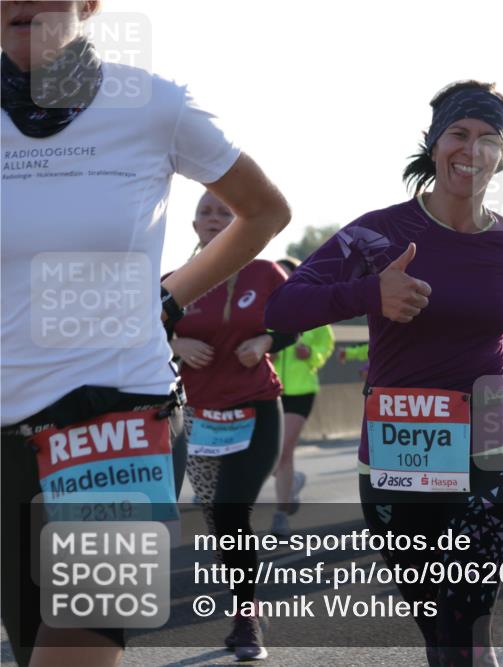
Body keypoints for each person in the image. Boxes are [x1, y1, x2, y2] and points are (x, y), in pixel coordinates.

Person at [0, 4, 290, 665]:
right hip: (5, 427)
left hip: (116, 417)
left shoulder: (154, 105)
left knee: (74, 648)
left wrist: (167, 296)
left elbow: (265, 210)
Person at [264, 80, 503, 666]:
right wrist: (369, 292)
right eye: (459, 134)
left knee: (464, 612)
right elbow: (283, 308)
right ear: (435, 145)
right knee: (440, 626)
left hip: (493, 445)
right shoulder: (378, 233)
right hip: (399, 450)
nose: (473, 149)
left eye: (490, 139)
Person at [169, 191, 294, 660]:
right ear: (195, 223)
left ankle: (247, 621)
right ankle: (246, 608)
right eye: (206, 212)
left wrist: (265, 338)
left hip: (256, 408)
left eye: (226, 211)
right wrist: (177, 344)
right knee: (220, 521)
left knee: (231, 508)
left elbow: (294, 321)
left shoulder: (265, 272)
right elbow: (142, 331)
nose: (215, 218)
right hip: (198, 416)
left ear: (242, 219)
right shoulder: (173, 281)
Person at [270, 257, 335, 537]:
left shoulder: (313, 310)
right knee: (273, 456)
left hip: (301, 390)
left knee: (283, 450)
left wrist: (313, 356)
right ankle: (292, 482)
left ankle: (280, 515)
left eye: (287, 275)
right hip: (270, 389)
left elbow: (326, 343)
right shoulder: (265, 308)